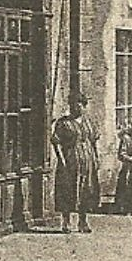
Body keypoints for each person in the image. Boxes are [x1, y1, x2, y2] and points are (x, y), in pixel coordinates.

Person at [50, 97, 100, 234]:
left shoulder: (89, 122)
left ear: (84, 107)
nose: (75, 109)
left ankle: (83, 221)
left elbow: (93, 142)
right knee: (67, 189)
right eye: (72, 106)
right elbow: (56, 142)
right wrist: (61, 159)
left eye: (78, 106)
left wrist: (96, 157)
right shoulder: (63, 123)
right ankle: (66, 222)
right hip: (70, 160)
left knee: (86, 189)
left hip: (87, 161)